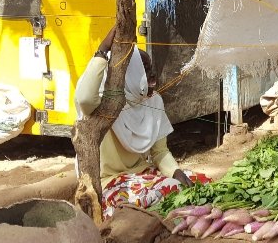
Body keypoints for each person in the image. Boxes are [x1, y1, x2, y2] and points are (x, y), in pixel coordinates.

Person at [75, 26, 202, 219]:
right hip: (110, 182)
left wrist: (176, 171)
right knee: (169, 189)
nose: (153, 75)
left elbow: (160, 152)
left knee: (198, 182)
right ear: (129, 74)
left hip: (143, 174)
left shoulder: (153, 101)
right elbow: (84, 98)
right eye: (145, 70)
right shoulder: (104, 104)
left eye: (151, 69)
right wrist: (102, 50)